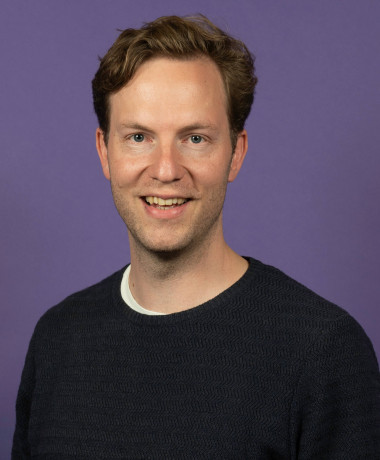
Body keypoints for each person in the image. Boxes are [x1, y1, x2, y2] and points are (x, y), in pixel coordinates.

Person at [12, 14, 380, 459]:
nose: (166, 169)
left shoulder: (323, 351)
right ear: (104, 151)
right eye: (139, 136)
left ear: (235, 153)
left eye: (195, 138)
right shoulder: (57, 340)